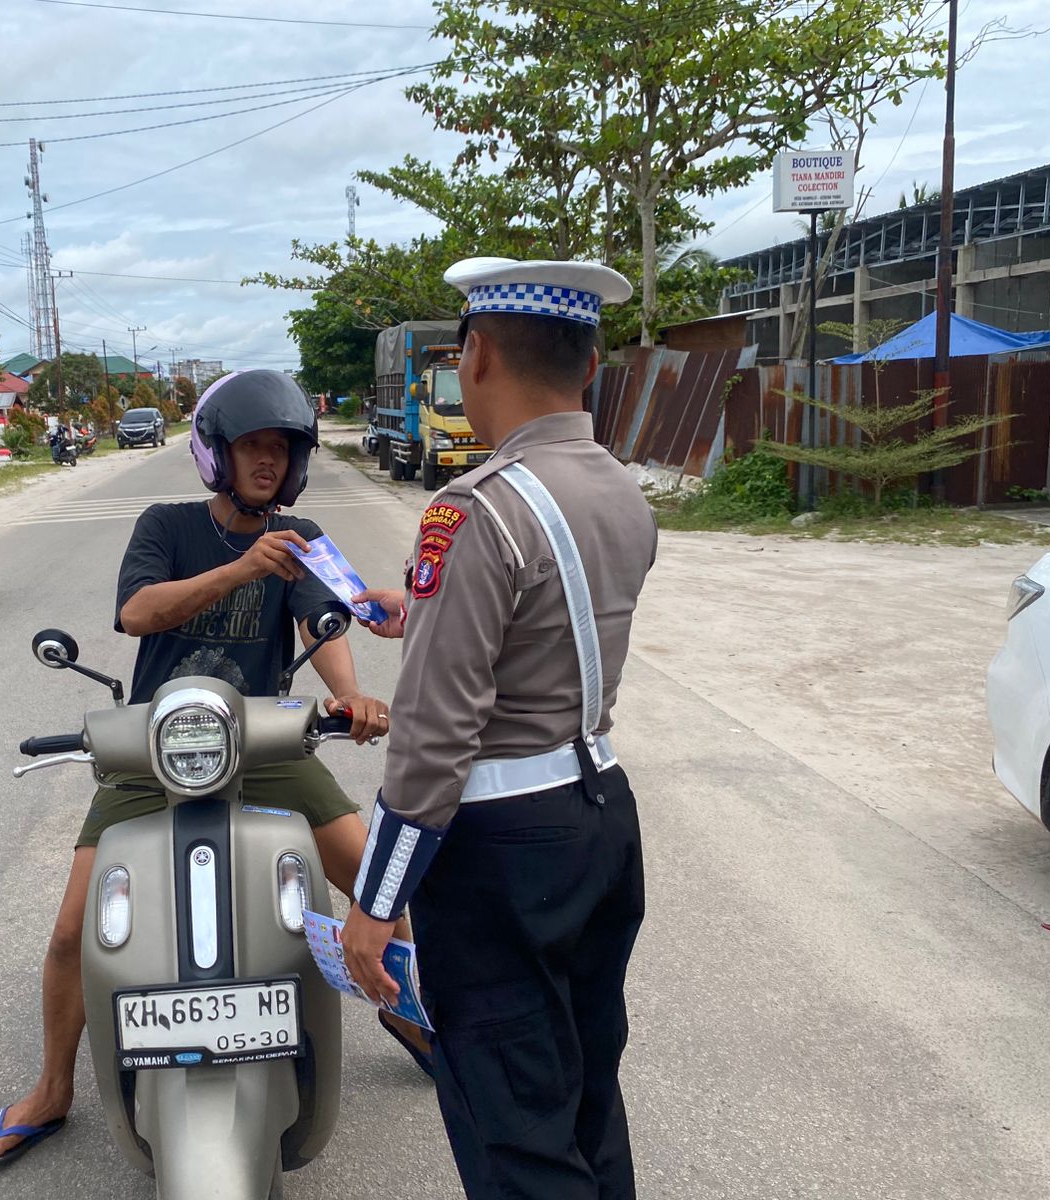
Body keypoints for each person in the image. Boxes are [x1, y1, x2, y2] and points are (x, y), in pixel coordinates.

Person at [0, 369, 425, 1169]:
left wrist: (351, 696)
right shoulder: (167, 524)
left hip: (265, 741)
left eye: (281, 449)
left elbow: (326, 623)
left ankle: (404, 1010)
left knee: (377, 883)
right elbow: (138, 611)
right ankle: (52, 1089)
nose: (268, 461)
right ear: (218, 455)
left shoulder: (302, 537)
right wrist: (243, 568)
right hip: (157, 745)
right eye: (252, 446)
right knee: (73, 931)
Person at [341, 258, 660, 1200]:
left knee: (514, 1131)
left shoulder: (476, 508)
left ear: (476, 356)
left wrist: (376, 902)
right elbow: (552, 626)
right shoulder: (622, 490)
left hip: (502, 850)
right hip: (599, 813)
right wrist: (425, 611)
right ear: (590, 364)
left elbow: (434, 738)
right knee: (585, 1093)